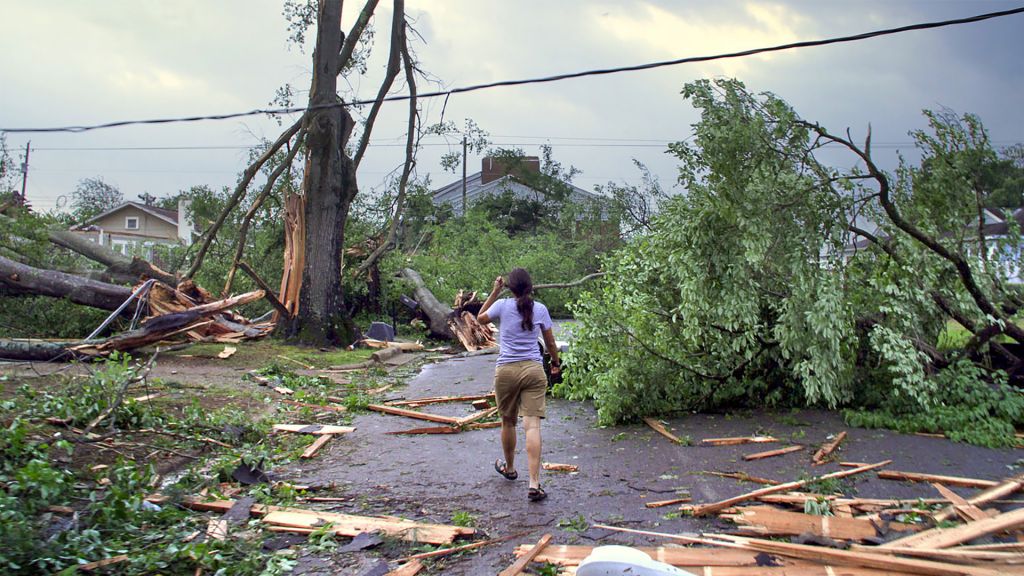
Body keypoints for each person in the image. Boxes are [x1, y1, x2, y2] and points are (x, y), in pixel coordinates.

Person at [477, 268, 561, 502]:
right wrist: (555, 363)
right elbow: (550, 342)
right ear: (530, 287)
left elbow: (480, 318)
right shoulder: (540, 309)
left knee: (507, 421)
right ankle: (534, 483)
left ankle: (510, 468)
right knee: (532, 426)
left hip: (506, 371)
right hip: (533, 370)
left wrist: (494, 292)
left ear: (510, 288)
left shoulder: (502, 305)